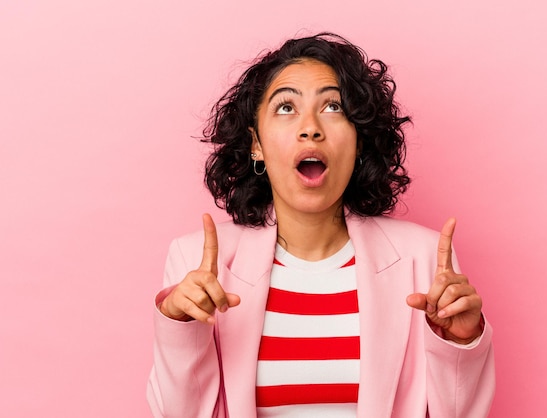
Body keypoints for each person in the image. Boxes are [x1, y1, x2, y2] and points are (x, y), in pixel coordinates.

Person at [147, 32, 495, 418]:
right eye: (285, 108)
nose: (310, 127)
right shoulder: (196, 260)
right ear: (256, 144)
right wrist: (180, 328)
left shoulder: (423, 258)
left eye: (333, 106)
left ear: (359, 140)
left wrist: (462, 341)